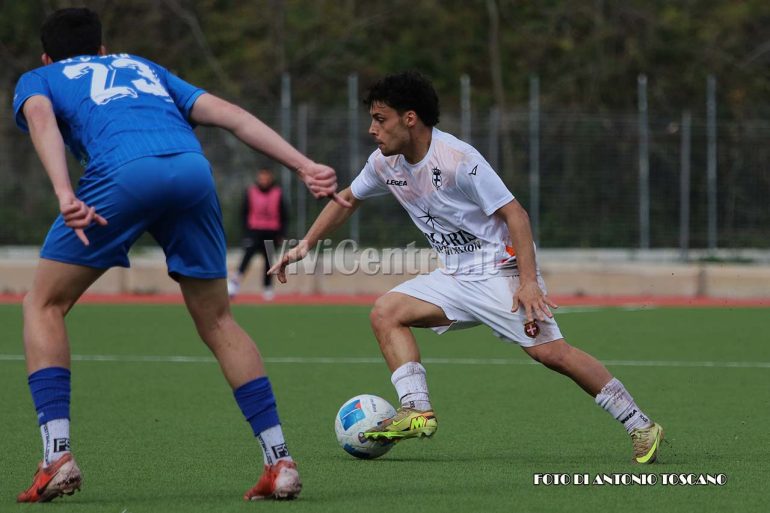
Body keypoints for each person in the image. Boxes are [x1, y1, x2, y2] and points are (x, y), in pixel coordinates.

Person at [12, 7, 350, 503]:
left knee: (42, 304)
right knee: (219, 321)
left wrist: (64, 190)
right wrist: (302, 165)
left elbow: (40, 117)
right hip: (191, 170)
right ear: (104, 49)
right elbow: (231, 115)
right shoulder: (143, 67)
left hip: (121, 173)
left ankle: (57, 454)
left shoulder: (40, 76)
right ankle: (279, 463)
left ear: (47, 55)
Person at [270, 71, 664, 464]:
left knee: (553, 355)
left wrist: (528, 283)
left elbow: (516, 214)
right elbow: (347, 200)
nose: (373, 129)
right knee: (386, 312)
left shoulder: (459, 160)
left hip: (500, 272)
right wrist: (306, 244)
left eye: (380, 118)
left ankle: (640, 424)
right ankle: (416, 410)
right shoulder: (383, 164)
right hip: (455, 276)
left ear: (410, 119)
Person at [227, 168, 286, 300]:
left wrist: (281, 233)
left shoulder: (278, 193)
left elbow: (284, 215)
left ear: (271, 178)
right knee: (245, 259)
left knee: (269, 263)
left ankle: (267, 289)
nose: (264, 180)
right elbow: (244, 213)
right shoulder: (251, 192)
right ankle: (233, 286)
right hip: (254, 232)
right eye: (261, 177)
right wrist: (246, 232)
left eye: (266, 177)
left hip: (272, 232)